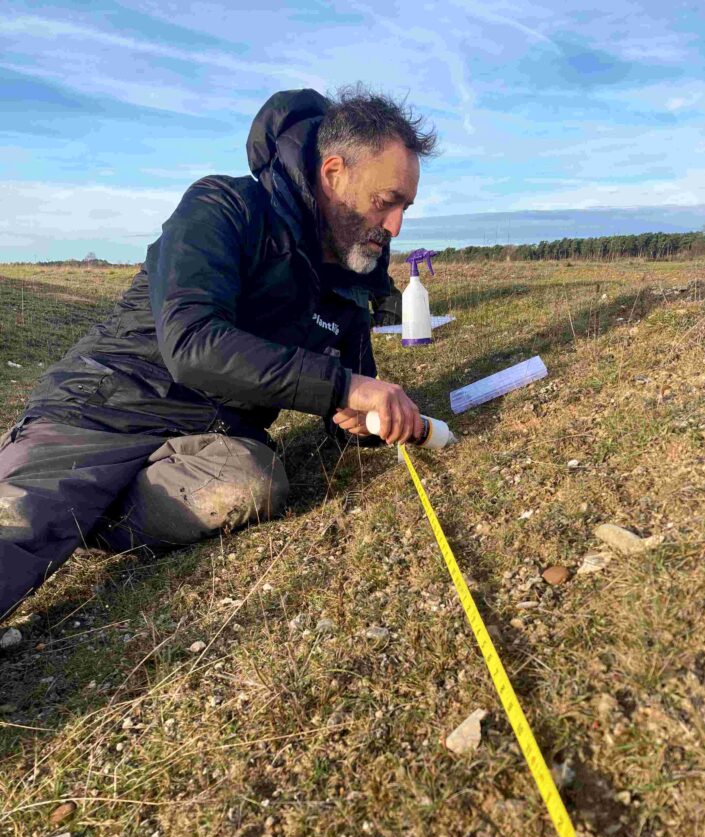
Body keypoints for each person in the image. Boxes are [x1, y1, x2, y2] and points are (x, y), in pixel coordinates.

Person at [0, 86, 437, 621]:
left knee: (256, 484)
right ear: (333, 172)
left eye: (404, 207)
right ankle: (54, 490)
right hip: (104, 409)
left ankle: (90, 515)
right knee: (16, 528)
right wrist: (343, 388)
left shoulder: (352, 279)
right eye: (385, 201)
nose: (395, 227)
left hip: (206, 444)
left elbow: (348, 395)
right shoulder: (223, 207)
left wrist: (364, 419)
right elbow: (191, 343)